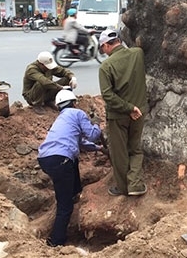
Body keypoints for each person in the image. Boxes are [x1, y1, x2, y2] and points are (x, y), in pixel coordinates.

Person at [37, 89, 102, 247]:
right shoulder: (77, 113)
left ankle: (74, 193)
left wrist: (98, 149)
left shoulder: (61, 119)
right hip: (61, 159)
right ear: (73, 103)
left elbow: (81, 143)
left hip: (45, 158)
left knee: (72, 162)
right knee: (64, 206)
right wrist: (97, 125)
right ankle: (55, 241)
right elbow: (92, 135)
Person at [98, 29, 149, 196]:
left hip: (118, 115)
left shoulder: (106, 66)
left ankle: (122, 187)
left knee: (119, 153)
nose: (103, 52)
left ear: (106, 45)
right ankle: (135, 185)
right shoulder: (138, 54)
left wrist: (128, 108)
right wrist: (134, 108)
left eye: (102, 48)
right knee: (135, 149)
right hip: (139, 112)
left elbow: (107, 95)